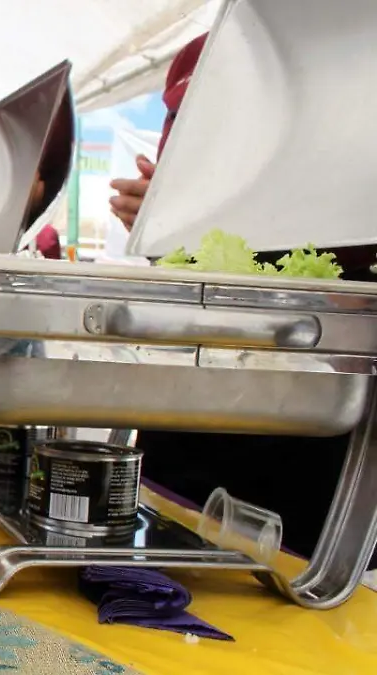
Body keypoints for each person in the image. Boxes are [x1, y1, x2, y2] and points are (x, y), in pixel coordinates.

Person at [110, 33, 377, 565]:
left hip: (327, 383)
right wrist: (157, 216)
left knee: (297, 573)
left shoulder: (358, 47)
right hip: (198, 369)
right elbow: (178, 219)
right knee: (163, 540)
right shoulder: (199, 55)